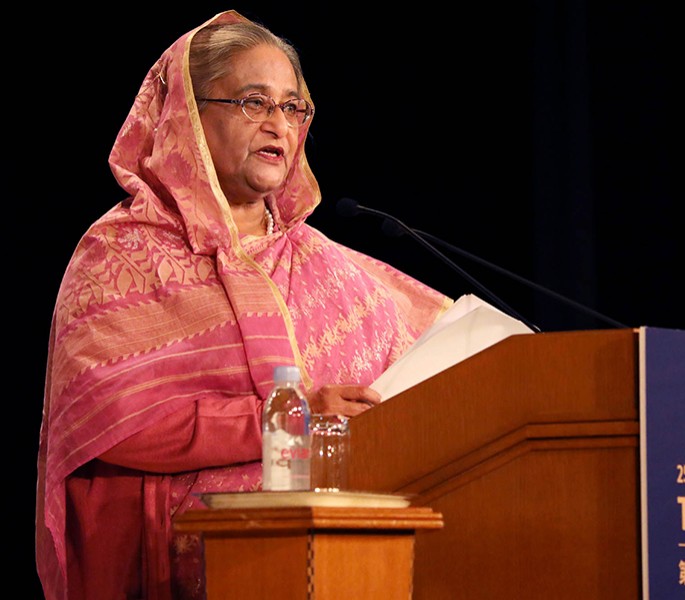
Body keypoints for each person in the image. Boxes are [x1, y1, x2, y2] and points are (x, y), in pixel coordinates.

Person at [35, 11, 452, 600]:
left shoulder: (325, 263)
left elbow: (446, 356)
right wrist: (287, 416)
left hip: (344, 557)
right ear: (187, 118)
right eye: (253, 102)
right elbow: (111, 426)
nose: (278, 124)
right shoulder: (119, 253)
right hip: (187, 560)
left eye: (292, 106)